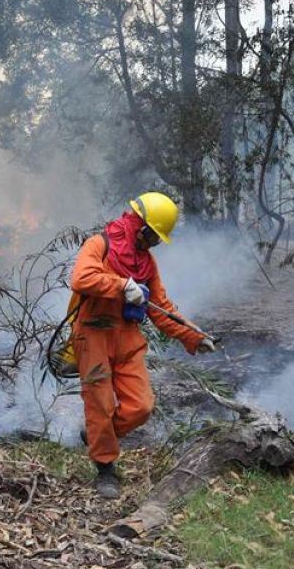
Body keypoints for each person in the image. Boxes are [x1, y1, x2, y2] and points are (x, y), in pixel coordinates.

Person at [70, 192, 216, 500]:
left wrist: (193, 337)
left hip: (126, 338)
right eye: (154, 236)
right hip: (93, 334)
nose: (156, 243)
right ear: (139, 226)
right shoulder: (100, 244)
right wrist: (121, 285)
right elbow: (81, 278)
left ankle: (96, 435)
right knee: (100, 403)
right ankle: (105, 468)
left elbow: (161, 307)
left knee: (141, 406)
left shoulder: (146, 263)